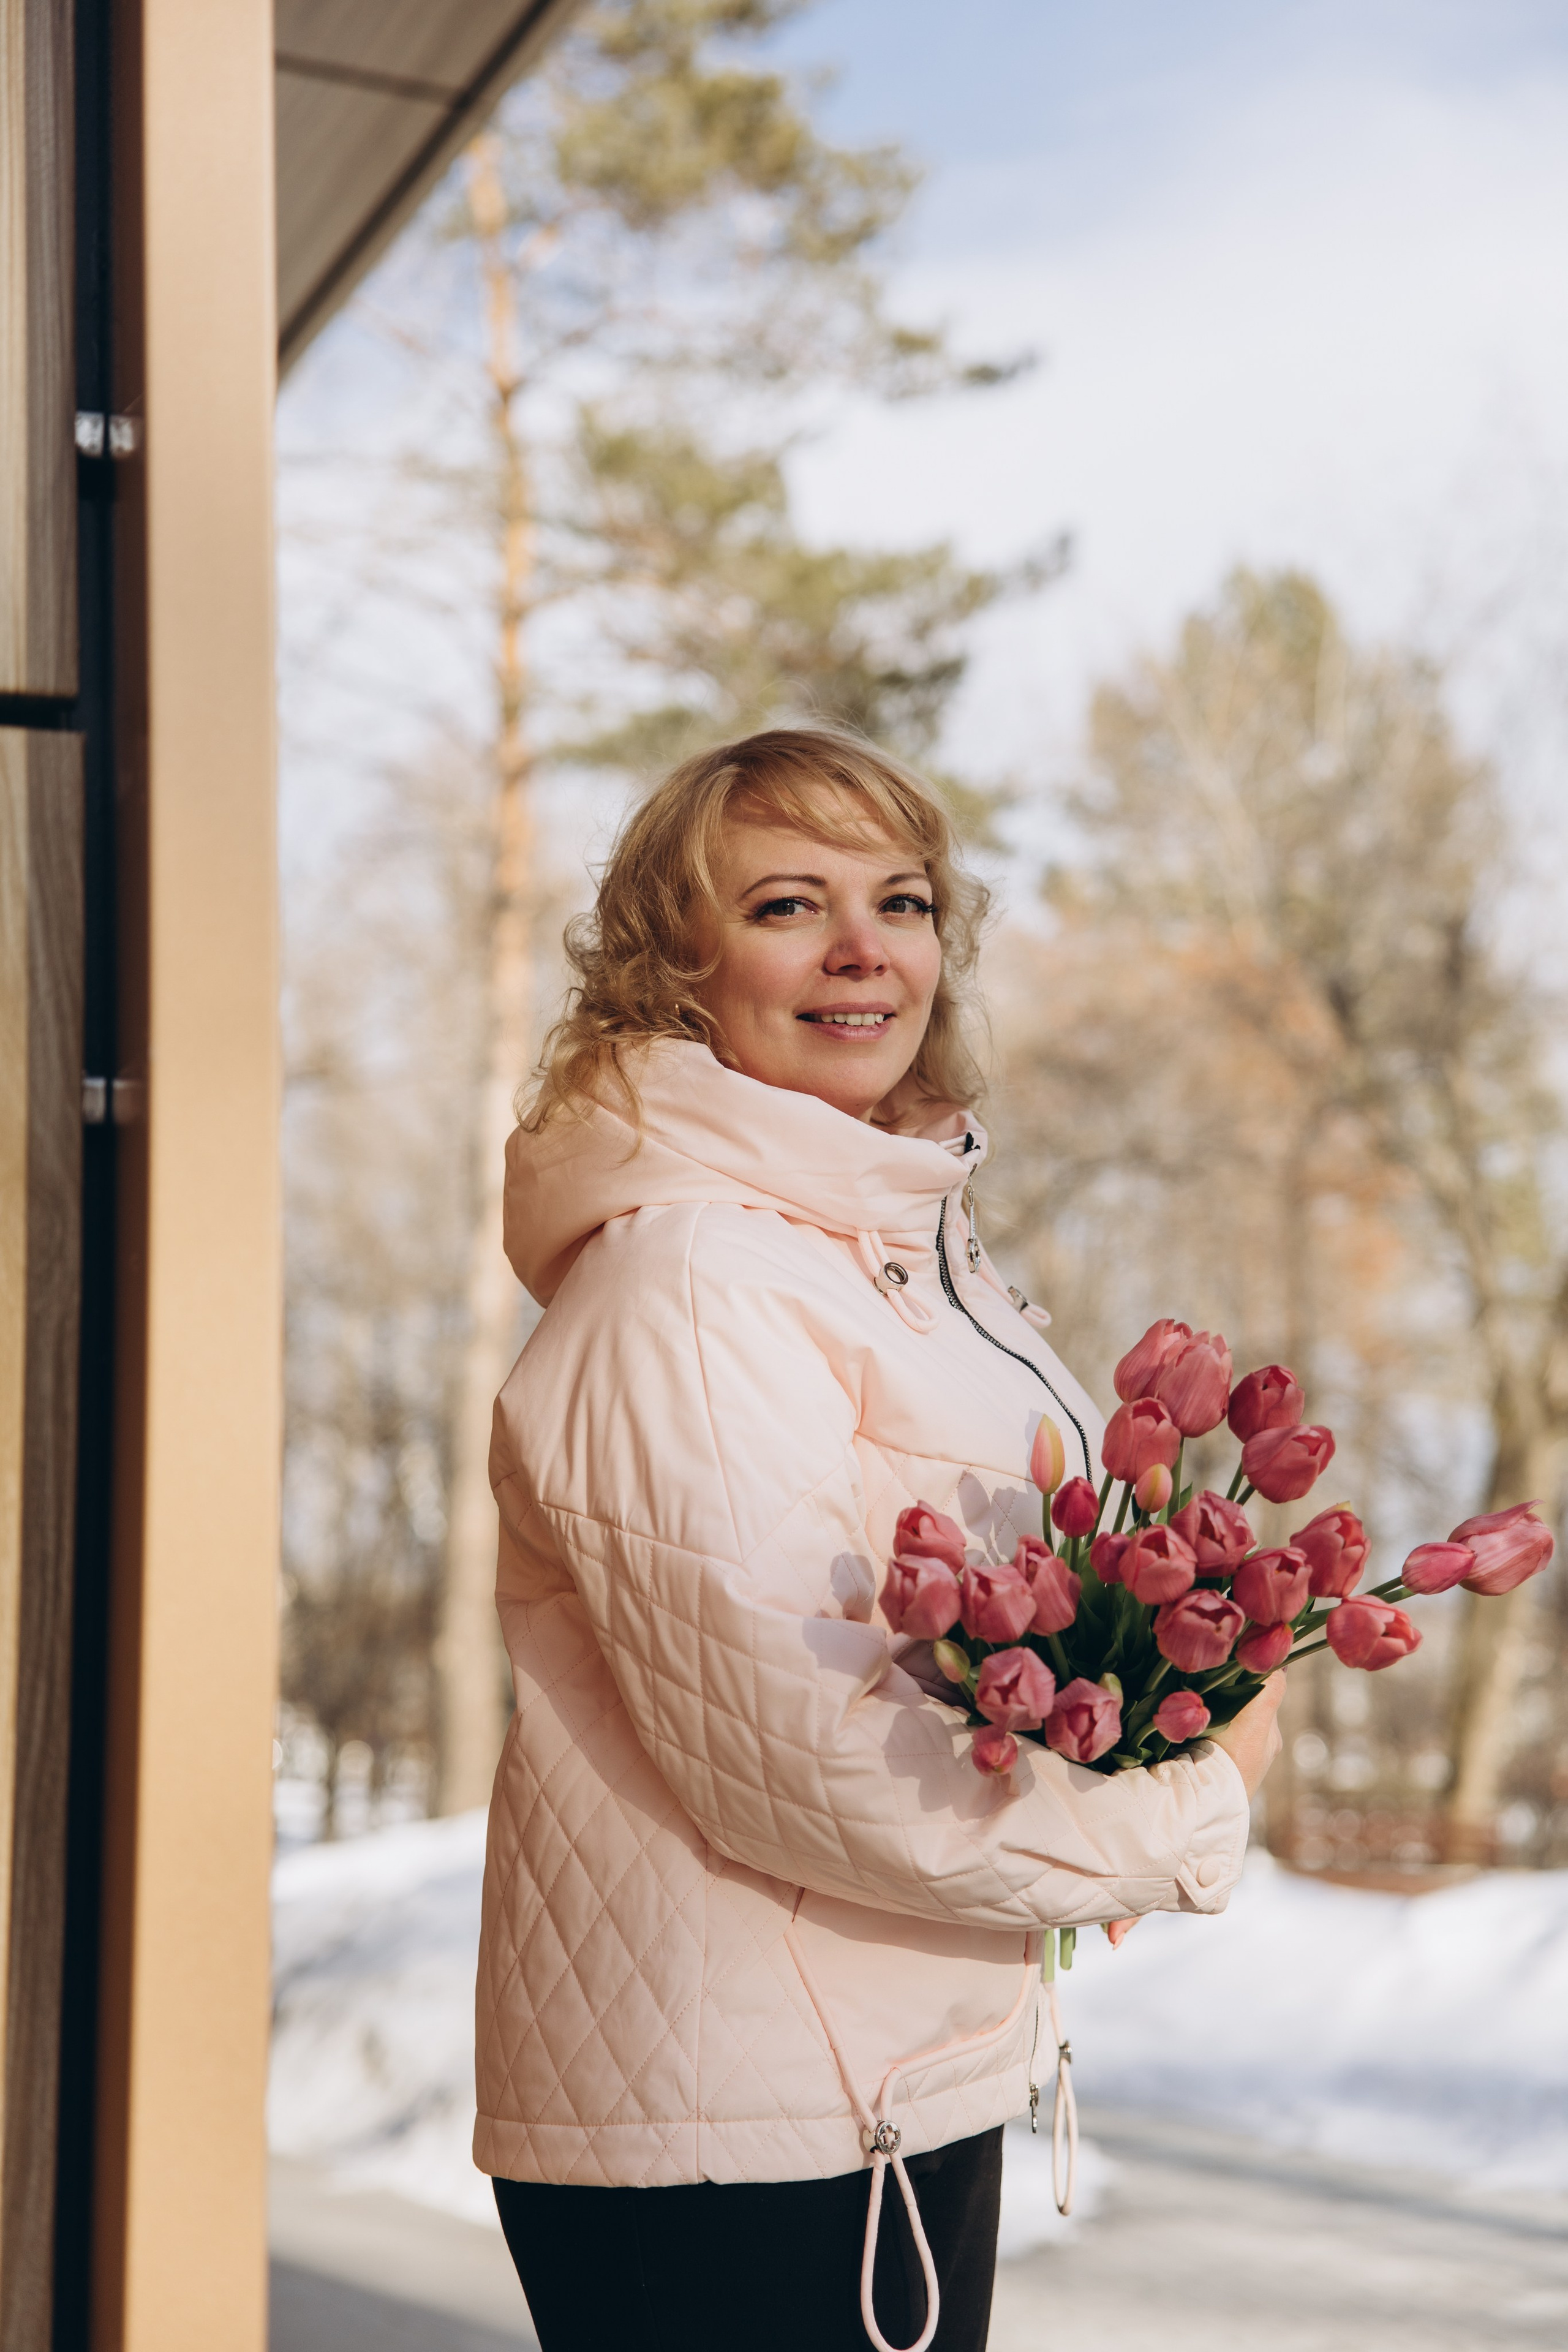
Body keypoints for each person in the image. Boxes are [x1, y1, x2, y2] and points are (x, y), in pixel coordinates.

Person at [475, 727, 1282, 2352]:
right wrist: (1180, 1820)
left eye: (900, 901)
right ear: (675, 967)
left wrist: (1114, 1716)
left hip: (879, 2074)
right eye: (789, 904)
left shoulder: (899, 1254)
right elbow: (810, 1752)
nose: (863, 949)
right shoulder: (695, 1288)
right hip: (747, 2121)